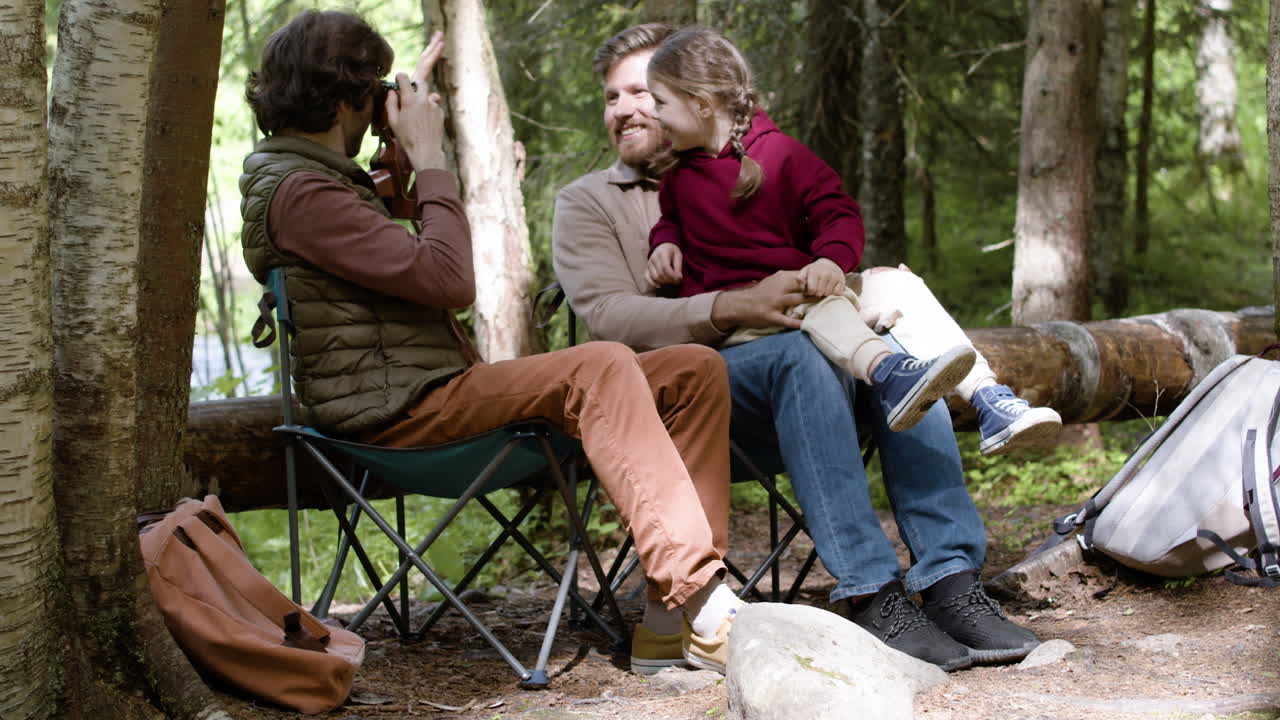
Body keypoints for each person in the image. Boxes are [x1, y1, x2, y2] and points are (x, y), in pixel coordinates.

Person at [239, 10, 742, 677]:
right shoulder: (301, 192)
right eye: (374, 93)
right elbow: (449, 279)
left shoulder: (321, 180)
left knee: (692, 369)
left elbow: (408, 253)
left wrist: (400, 157)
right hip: (399, 417)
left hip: (424, 394)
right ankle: (704, 600)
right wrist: (431, 160)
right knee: (599, 366)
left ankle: (666, 624)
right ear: (343, 100)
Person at [552, 23, 1045, 672]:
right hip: (696, 392)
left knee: (894, 335)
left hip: (801, 350)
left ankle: (952, 583)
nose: (627, 109)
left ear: (697, 96)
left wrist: (846, 280)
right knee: (802, 358)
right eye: (612, 97)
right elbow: (610, 318)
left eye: (643, 92)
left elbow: (824, 225)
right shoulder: (588, 201)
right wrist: (734, 304)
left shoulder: (756, 158)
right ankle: (872, 593)